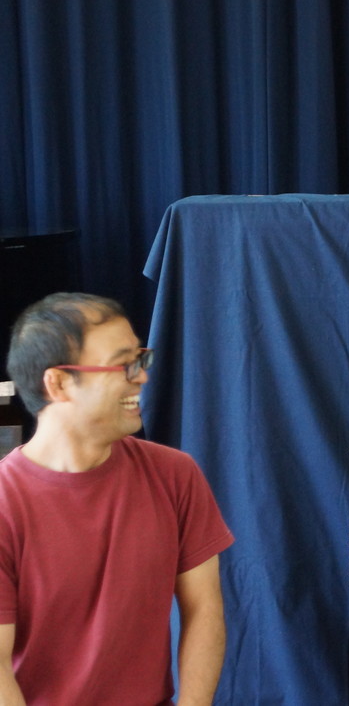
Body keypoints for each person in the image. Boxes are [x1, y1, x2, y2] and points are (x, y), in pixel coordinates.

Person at [0, 293, 233, 705]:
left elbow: (204, 610)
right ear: (58, 383)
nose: (141, 378)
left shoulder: (175, 475)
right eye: (123, 364)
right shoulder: (6, 503)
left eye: (141, 360)